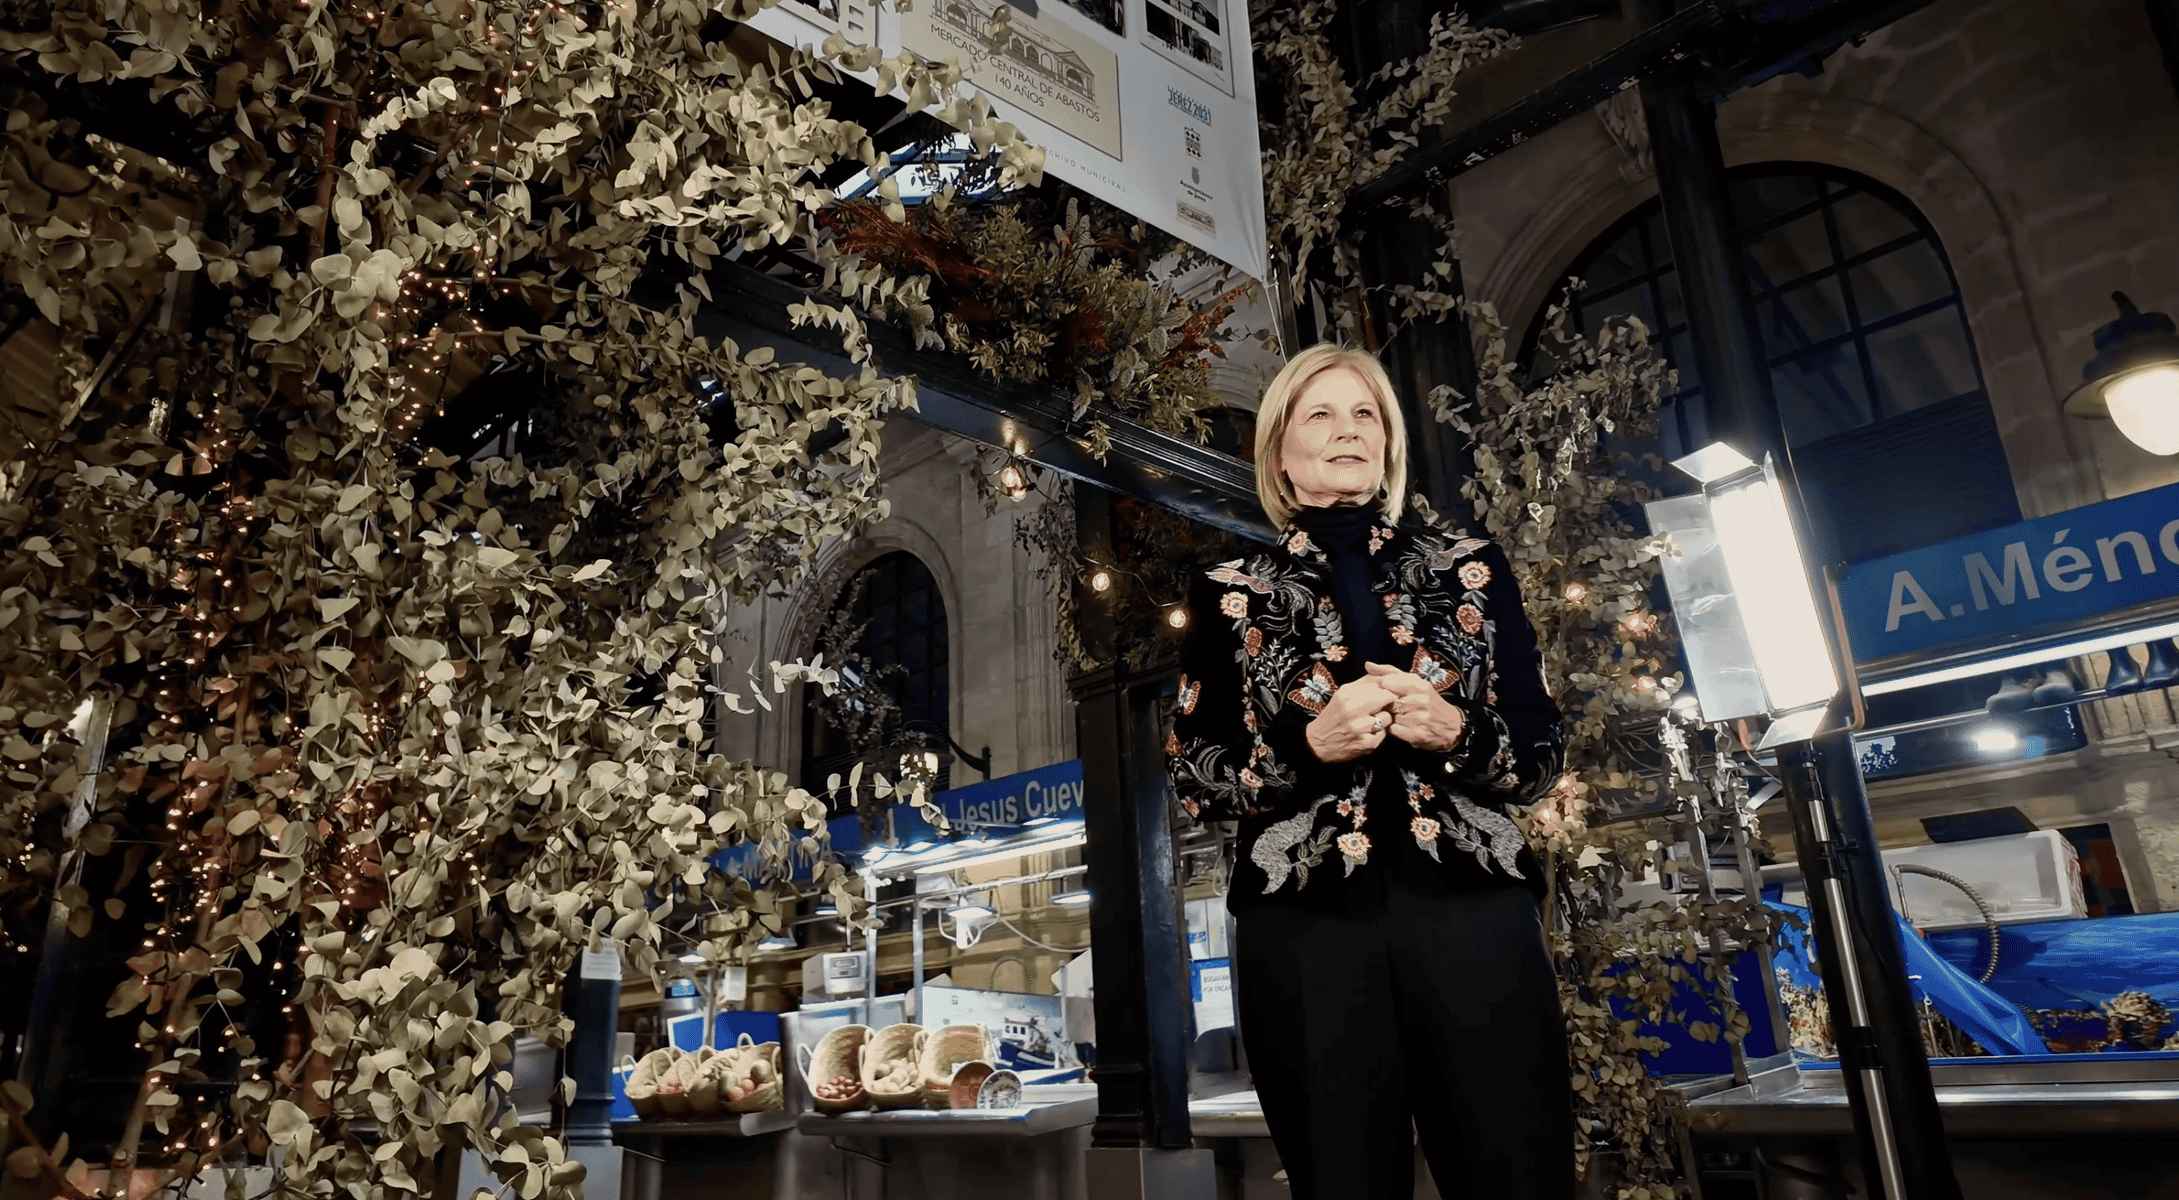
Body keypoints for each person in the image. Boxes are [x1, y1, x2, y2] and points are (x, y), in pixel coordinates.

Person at [1165, 344, 1574, 1198]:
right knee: (1342, 1178)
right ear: (1280, 450)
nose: (1347, 431)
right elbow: (1195, 776)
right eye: (1320, 414)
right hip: (1307, 932)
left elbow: (1538, 751)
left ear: (1388, 443)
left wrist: (1455, 728)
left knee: (1516, 1169)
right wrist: (1307, 749)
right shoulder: (1226, 591)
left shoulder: (1469, 564)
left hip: (1474, 913)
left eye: (1365, 416)